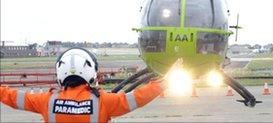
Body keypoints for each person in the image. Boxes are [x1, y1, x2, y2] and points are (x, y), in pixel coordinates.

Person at [0, 47, 182, 123]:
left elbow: (12, 97)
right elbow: (137, 98)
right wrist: (164, 82)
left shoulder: (46, 101)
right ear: (90, 72)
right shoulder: (103, 101)